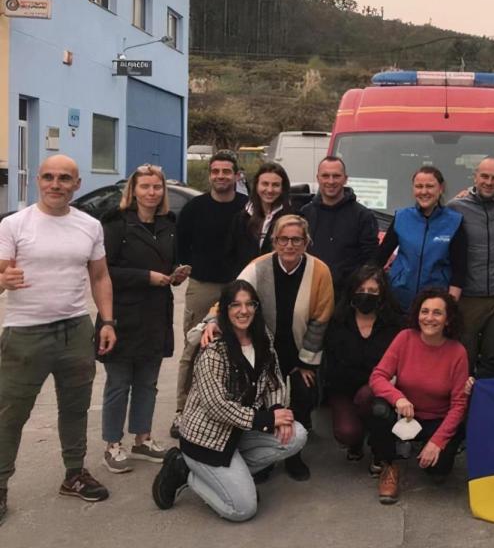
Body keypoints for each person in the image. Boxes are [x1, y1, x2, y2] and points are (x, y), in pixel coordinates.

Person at [0, 155, 117, 524]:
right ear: (38, 180)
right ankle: (0, 486)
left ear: (77, 185)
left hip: (75, 330)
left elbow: (100, 277)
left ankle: (74, 474)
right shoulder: (14, 225)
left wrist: (108, 321)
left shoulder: (90, 226)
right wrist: (3, 281)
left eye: (64, 178)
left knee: (75, 408)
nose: (56, 184)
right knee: (9, 415)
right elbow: (1, 273)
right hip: (24, 334)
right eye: (49, 177)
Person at [152, 281, 307, 522]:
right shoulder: (214, 347)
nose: (243, 311)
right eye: (236, 305)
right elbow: (216, 407)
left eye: (249, 304)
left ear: (256, 307)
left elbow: (274, 381)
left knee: (295, 435)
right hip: (207, 439)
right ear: (224, 309)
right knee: (243, 509)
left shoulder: (262, 336)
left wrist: (277, 410)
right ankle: (186, 471)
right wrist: (266, 419)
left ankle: (233, 477)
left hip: (238, 432)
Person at [200, 215, 333, 480]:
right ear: (274, 241)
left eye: (296, 239)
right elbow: (233, 296)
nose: (290, 245)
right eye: (283, 239)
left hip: (299, 348)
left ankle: (294, 455)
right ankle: (266, 458)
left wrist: (306, 363)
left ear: (306, 242)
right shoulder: (258, 267)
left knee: (302, 398)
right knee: (262, 401)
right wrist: (213, 320)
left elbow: (321, 317)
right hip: (262, 348)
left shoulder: (319, 271)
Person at [100, 165, 189, 474]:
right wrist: (145, 277)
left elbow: (168, 263)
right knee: (119, 384)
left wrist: (176, 275)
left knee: (148, 383)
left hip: (156, 314)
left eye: (157, 187)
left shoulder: (168, 224)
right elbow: (104, 272)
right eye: (145, 187)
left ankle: (142, 438)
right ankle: (113, 444)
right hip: (122, 314)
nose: (152, 192)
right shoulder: (115, 224)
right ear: (133, 191)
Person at [368, 289, 469, 504]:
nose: (429, 318)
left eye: (437, 313)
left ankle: (429, 447)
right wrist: (398, 398)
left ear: (448, 319)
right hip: (405, 415)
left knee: (438, 473)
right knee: (377, 408)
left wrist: (437, 442)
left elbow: (459, 405)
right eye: (425, 311)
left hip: (436, 419)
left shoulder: (457, 352)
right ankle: (388, 464)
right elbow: (378, 377)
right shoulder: (405, 338)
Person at [173, 150, 248, 437]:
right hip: (202, 286)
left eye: (226, 171)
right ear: (209, 175)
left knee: (236, 350)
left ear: (236, 175)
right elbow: (181, 246)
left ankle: (229, 409)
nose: (220, 176)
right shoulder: (195, 208)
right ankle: (183, 411)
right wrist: (182, 269)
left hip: (237, 288)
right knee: (194, 348)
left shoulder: (246, 208)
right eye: (215, 171)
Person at [323, 265, 403, 470]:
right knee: (347, 432)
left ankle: (381, 452)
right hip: (344, 391)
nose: (366, 296)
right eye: (361, 291)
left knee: (371, 399)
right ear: (351, 292)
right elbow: (331, 369)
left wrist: (374, 384)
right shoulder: (338, 322)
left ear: (382, 295)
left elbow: (398, 366)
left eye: (373, 291)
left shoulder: (394, 325)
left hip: (380, 392)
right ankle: (356, 441)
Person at [448, 157, 494, 375]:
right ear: (475, 177)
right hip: (468, 296)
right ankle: (462, 407)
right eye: (484, 176)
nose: (489, 182)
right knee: (463, 359)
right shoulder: (456, 206)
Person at [376, 166, 467, 311]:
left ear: (441, 188)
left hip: (435, 306)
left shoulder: (454, 222)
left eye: (430, 186)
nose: (424, 191)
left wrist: (449, 308)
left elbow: (459, 271)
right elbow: (379, 259)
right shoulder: (401, 217)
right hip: (399, 302)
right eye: (419, 186)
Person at [301, 156, 379, 294]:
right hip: (311, 293)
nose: (331, 181)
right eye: (325, 176)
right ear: (318, 178)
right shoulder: (305, 214)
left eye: (336, 176)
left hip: (347, 299)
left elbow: (370, 261)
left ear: (345, 178)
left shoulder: (363, 216)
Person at [225, 162, 292, 277]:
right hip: (246, 284)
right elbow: (231, 255)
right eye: (265, 184)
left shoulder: (292, 217)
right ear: (256, 185)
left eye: (275, 185)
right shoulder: (241, 218)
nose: (269, 190)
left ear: (283, 188)